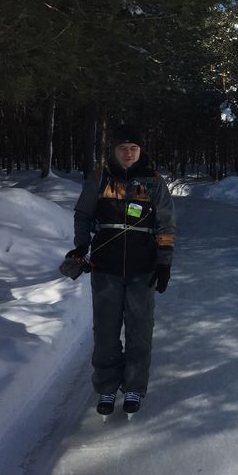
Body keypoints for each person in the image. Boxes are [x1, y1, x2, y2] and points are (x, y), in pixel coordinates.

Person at [65, 123, 176, 420]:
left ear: (141, 151)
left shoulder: (154, 182)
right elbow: (83, 214)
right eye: (122, 149)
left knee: (140, 330)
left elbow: (166, 225)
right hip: (106, 267)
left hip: (144, 269)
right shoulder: (100, 178)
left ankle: (134, 387)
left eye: (134, 149)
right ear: (113, 150)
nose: (128, 154)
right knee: (106, 330)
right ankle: (107, 385)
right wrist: (80, 247)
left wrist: (164, 262)